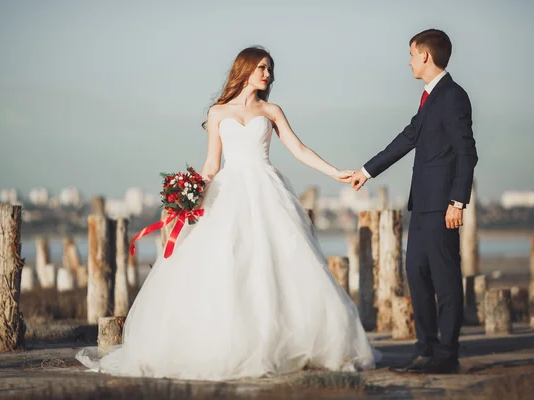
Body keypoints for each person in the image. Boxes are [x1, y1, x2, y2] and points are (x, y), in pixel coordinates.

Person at [76, 46, 382, 381]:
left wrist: (335, 171)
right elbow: (211, 164)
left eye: (270, 69)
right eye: (262, 67)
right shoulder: (218, 112)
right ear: (246, 69)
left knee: (278, 263)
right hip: (228, 191)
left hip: (267, 189)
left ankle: (282, 341)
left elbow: (299, 149)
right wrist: (189, 194)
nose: (268, 74)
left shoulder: (271, 109)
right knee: (227, 264)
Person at [351, 29, 478, 374]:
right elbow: (408, 137)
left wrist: (458, 201)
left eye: (411, 54)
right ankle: (425, 350)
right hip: (421, 204)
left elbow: (467, 152)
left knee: (445, 279)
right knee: (417, 275)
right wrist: (367, 170)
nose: (408, 61)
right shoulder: (429, 97)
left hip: (442, 205)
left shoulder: (452, 96)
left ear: (425, 56)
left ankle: (446, 356)